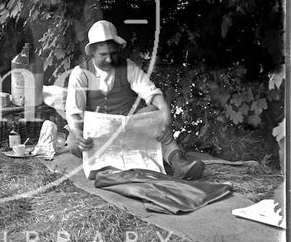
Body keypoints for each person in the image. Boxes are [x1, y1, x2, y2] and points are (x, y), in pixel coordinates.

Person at [65, 20, 205, 180]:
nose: (110, 59)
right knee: (73, 143)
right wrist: (77, 134)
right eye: (103, 55)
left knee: (154, 112)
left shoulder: (128, 66)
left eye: (113, 53)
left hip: (129, 124)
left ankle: (179, 163)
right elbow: (74, 112)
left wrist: (166, 119)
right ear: (92, 53)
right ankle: (105, 162)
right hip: (98, 133)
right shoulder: (81, 73)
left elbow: (152, 94)